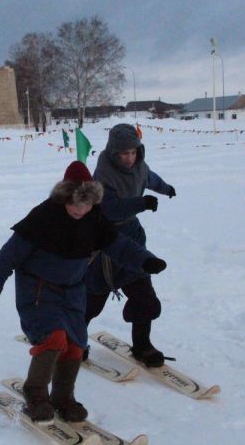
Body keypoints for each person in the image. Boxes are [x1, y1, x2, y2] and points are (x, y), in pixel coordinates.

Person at [0, 163, 167, 423]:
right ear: (64, 199)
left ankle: (63, 397)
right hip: (38, 290)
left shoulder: (94, 219)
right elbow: (7, 256)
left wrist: (146, 260)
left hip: (74, 291)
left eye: (86, 204)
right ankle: (35, 392)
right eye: (74, 204)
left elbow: (120, 246)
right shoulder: (43, 218)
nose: (80, 210)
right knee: (54, 337)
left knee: (76, 344)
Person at [82, 123, 176, 368]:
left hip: (132, 238)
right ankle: (74, 342)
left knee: (144, 297)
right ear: (114, 153)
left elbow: (150, 178)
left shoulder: (139, 166)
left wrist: (166, 189)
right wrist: (141, 203)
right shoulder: (102, 176)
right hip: (104, 242)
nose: (129, 158)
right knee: (92, 303)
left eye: (133, 152)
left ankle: (143, 346)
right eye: (124, 153)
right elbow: (110, 209)